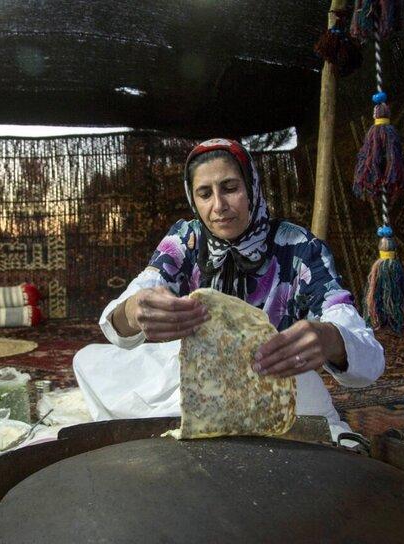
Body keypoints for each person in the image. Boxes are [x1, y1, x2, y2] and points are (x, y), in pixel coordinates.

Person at [73, 138, 384, 440]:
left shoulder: (298, 247)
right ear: (192, 198)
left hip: (271, 377)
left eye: (230, 188)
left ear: (251, 187)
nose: (219, 206)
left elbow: (368, 357)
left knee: (316, 418)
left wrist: (328, 338)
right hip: (200, 377)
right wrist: (134, 309)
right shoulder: (186, 241)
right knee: (88, 361)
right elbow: (136, 297)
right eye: (204, 193)